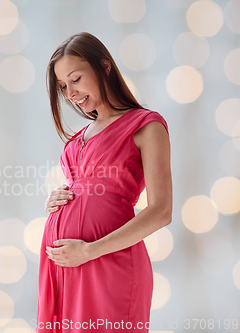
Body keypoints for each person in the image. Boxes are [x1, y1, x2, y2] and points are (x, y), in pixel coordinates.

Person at [36, 32, 173, 333]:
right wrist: (60, 199)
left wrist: (89, 250)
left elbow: (162, 211)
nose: (70, 93)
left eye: (76, 79)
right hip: (66, 267)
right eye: (63, 86)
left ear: (104, 67)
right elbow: (87, 188)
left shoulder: (145, 125)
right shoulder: (76, 140)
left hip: (108, 261)